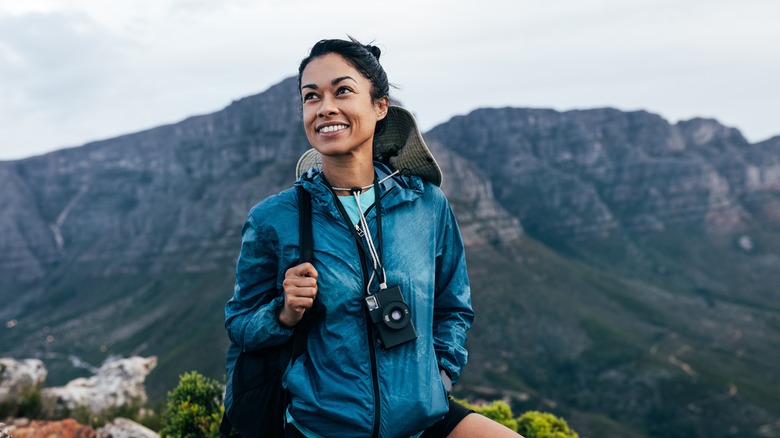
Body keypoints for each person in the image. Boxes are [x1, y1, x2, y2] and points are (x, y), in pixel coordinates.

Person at [225, 37, 521, 438]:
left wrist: (441, 378)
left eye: (342, 91)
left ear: (380, 106)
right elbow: (239, 323)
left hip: (422, 417)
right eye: (311, 97)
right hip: (324, 428)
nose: (325, 107)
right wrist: (283, 313)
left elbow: (453, 307)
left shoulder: (427, 204)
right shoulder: (274, 219)